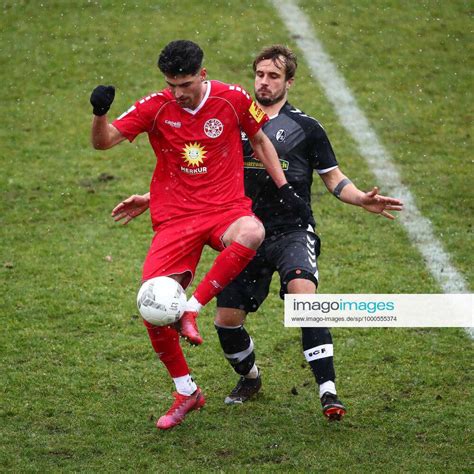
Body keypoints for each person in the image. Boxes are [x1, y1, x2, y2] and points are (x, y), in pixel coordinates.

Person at [111, 45, 403, 422]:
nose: (264, 83)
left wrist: (360, 198)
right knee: (227, 322)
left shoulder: (307, 128)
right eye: (260, 75)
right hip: (238, 233)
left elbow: (333, 178)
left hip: (289, 231)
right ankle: (250, 377)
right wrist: (153, 198)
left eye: (274, 76)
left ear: (289, 82)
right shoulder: (233, 117)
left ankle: (328, 391)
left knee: (304, 302)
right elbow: (199, 176)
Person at [90, 40, 310, 430]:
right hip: (175, 218)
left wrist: (284, 188)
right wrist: (99, 113)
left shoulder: (233, 99)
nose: (178, 93)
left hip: (225, 210)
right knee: (152, 306)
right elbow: (104, 141)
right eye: (172, 84)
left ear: (203, 75)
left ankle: (192, 309)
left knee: (252, 230)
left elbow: (259, 140)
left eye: (186, 84)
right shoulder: (155, 106)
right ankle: (186, 390)